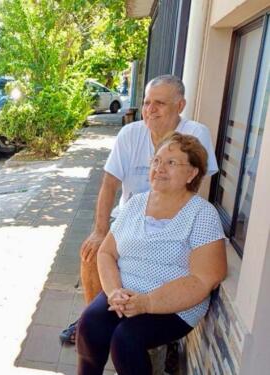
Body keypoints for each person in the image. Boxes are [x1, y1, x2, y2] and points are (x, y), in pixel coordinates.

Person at [59, 74, 218, 345]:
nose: (150, 110)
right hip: (131, 215)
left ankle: (153, 322)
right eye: (146, 103)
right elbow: (109, 184)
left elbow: (200, 187)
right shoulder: (130, 133)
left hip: (173, 217)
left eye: (159, 103)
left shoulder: (195, 134)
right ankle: (97, 317)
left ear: (180, 106)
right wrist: (100, 231)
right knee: (90, 254)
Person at [76, 132, 227, 375]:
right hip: (124, 293)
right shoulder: (136, 203)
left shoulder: (202, 214)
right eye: (156, 161)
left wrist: (148, 302)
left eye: (171, 163)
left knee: (126, 340)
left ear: (192, 173)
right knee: (89, 326)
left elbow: (205, 278)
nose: (159, 168)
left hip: (174, 306)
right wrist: (114, 291)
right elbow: (106, 253)